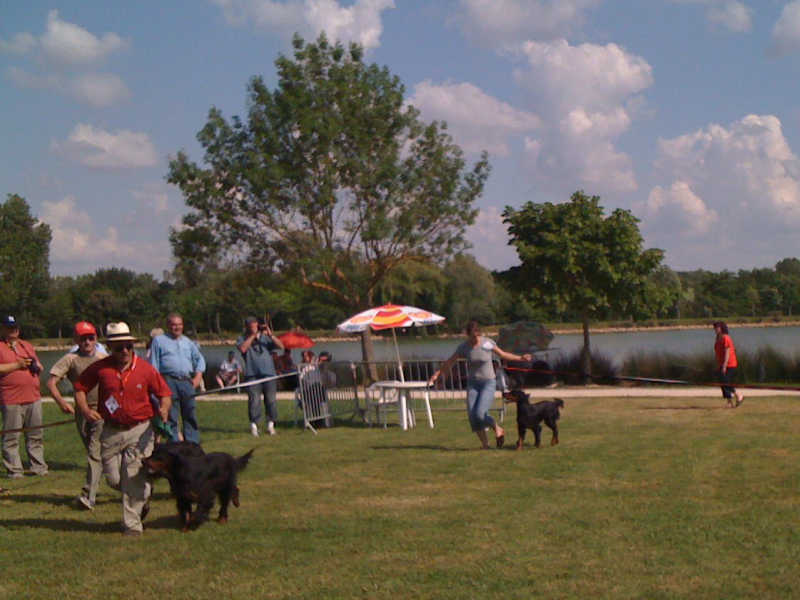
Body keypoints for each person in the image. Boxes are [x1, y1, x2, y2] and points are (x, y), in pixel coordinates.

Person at [73, 322, 171, 536]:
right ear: (110, 348)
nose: (124, 351)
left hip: (140, 430)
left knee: (134, 477)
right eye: (118, 347)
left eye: (128, 346)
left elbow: (164, 393)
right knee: (115, 480)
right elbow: (79, 388)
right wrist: (86, 411)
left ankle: (132, 525)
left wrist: (163, 409)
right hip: (110, 431)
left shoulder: (145, 369)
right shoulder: (101, 368)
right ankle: (143, 496)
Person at [428, 320, 532, 449]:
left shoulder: (487, 343)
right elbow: (449, 362)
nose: (475, 339)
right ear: (468, 335)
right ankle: (485, 445)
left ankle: (497, 428)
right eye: (472, 336)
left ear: (479, 333)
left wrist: (520, 358)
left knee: (480, 413)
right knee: (472, 416)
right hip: (473, 384)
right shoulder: (464, 347)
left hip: (488, 383)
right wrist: (437, 374)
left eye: (477, 336)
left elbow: (503, 354)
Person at [46, 321, 107, 509]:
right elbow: (51, 383)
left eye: (91, 338)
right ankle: (128, 487)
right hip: (82, 412)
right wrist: (61, 402)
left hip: (102, 412)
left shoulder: (104, 358)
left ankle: (88, 496)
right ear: (76, 340)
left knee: (94, 452)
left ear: (96, 338)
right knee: (95, 452)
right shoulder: (70, 359)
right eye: (83, 339)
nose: (87, 342)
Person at [0, 315, 48, 478]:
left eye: (15, 327)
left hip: (33, 397)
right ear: (3, 329)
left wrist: (37, 366)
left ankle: (38, 467)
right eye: (9, 327)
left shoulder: (26, 345)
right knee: (12, 436)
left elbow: (36, 363)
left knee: (35, 435)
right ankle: (14, 470)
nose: (13, 330)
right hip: (11, 398)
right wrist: (17, 365)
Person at [148, 314, 206, 443]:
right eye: (174, 324)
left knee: (190, 414)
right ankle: (174, 445)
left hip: (186, 381)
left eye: (179, 324)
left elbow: (199, 360)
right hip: (168, 381)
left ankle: (192, 444)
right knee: (171, 416)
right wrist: (158, 386)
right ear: (168, 326)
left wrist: (198, 377)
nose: (177, 327)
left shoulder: (188, 342)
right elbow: (154, 365)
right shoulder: (159, 341)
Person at [237, 316, 284, 436]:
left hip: (269, 373)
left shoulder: (265, 338)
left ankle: (271, 425)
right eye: (250, 325)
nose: (253, 326)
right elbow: (242, 349)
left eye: (254, 324)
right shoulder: (242, 338)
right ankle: (254, 425)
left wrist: (270, 334)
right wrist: (253, 336)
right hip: (252, 375)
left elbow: (281, 346)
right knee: (254, 401)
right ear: (246, 326)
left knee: (271, 400)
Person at [713, 321, 744, 408]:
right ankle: (729, 401)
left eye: (717, 327)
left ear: (722, 328)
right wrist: (719, 365)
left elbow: (727, 352)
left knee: (726, 382)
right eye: (714, 328)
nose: (715, 329)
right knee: (723, 383)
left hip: (730, 364)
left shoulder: (726, 338)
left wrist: (724, 365)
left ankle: (738, 395)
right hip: (721, 364)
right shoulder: (717, 338)